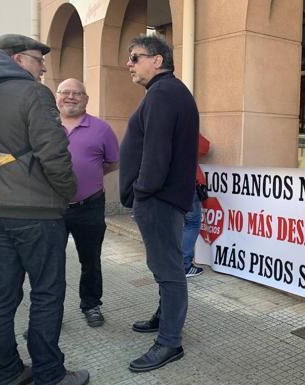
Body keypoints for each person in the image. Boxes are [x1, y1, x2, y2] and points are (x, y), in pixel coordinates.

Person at [0, 34, 89, 385]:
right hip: (34, 213)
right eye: (38, 60)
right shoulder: (33, 93)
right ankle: (50, 374)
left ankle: (7, 372)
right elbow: (54, 153)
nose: (42, 69)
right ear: (16, 57)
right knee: (47, 292)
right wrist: (67, 192)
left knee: (2, 295)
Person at [119, 34, 199, 373]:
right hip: (161, 198)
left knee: (168, 270)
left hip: (159, 200)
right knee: (163, 266)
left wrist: (142, 190)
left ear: (158, 60)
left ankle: (170, 342)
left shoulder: (163, 93)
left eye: (135, 57)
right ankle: (164, 316)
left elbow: (156, 152)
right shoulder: (166, 92)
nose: (129, 64)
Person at [55, 78, 120, 327]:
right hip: (52, 208)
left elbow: (112, 162)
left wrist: (91, 177)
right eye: (66, 92)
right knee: (50, 263)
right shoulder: (44, 126)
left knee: (90, 260)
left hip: (89, 206)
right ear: (57, 96)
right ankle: (50, 312)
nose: (71, 97)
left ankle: (91, 305)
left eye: (77, 93)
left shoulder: (101, 129)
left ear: (86, 99)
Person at [182, 134, 210, 278]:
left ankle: (175, 264)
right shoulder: (185, 129)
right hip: (188, 184)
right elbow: (205, 147)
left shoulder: (160, 131)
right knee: (192, 224)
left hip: (168, 187)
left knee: (178, 225)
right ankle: (184, 266)